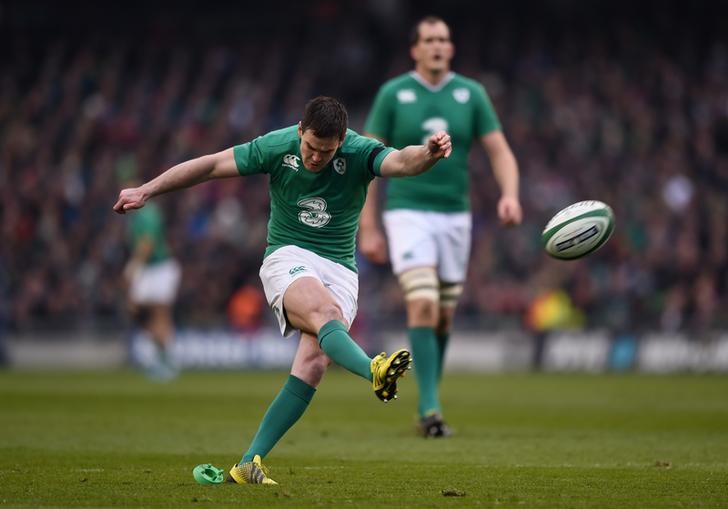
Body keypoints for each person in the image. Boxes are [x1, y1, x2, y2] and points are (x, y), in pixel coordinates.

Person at [113, 96, 452, 484]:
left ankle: (246, 463)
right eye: (309, 146)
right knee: (325, 315)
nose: (314, 157)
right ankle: (373, 369)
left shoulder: (359, 151)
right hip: (288, 255)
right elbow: (209, 166)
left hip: (341, 269)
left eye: (325, 151)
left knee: (312, 365)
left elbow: (403, 162)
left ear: (341, 142)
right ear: (299, 130)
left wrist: (429, 153)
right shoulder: (276, 146)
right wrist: (147, 190)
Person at [359, 16, 522, 438]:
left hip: (455, 216)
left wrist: (510, 194)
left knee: (444, 318)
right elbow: (364, 159)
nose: (437, 46)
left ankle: (428, 396)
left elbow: (500, 151)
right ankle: (430, 409)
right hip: (407, 211)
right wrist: (369, 226)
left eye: (444, 40)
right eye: (429, 39)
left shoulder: (472, 94)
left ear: (451, 48)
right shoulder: (393, 93)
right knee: (424, 305)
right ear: (414, 49)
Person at [122, 175, 181, 381]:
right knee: (141, 311)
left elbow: (147, 244)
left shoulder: (147, 214)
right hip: (151, 269)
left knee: (159, 314)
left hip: (159, 268)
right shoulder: (140, 215)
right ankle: (162, 356)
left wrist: (133, 268)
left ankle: (165, 360)